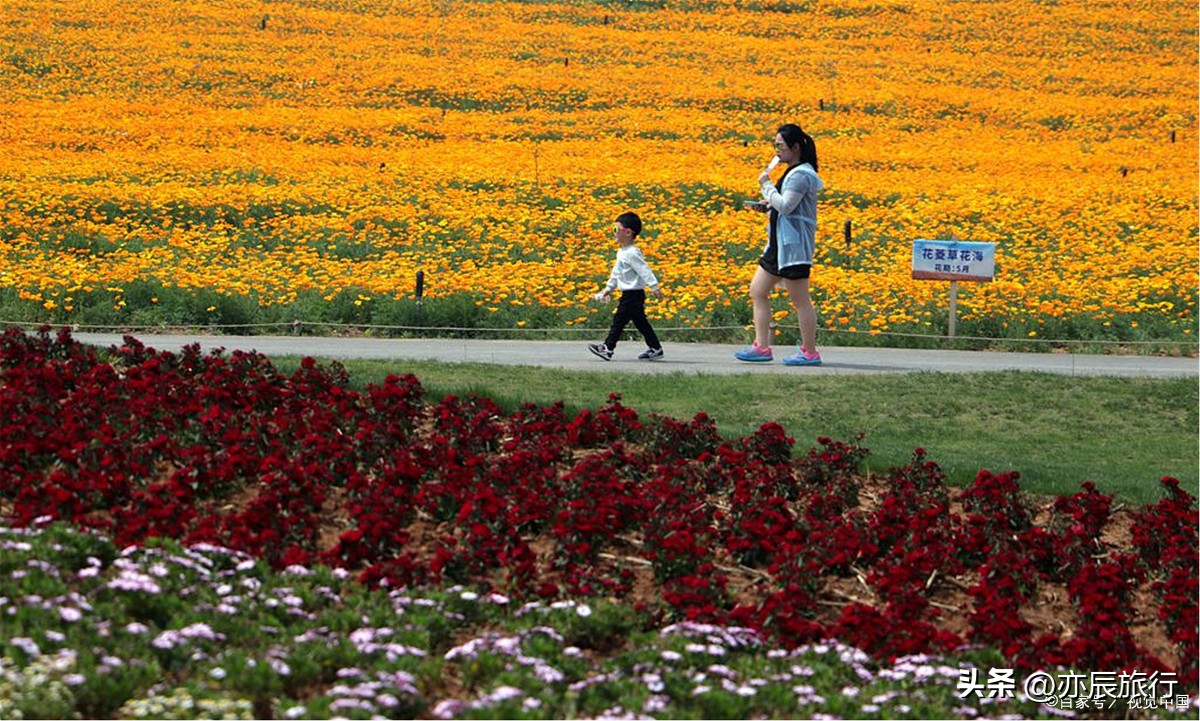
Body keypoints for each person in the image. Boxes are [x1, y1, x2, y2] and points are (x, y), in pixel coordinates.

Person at [735, 123, 825, 366]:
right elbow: (781, 205)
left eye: (780, 146)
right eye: (775, 145)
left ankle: (809, 352)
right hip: (777, 246)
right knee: (758, 291)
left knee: (800, 300)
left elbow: (787, 206)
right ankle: (762, 346)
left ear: (795, 148)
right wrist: (767, 204)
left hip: (793, 248)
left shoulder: (801, 175)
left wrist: (765, 184)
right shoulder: (792, 172)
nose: (776, 151)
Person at [588, 211, 664, 361]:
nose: (614, 233)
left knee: (619, 321)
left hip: (633, 294)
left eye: (616, 229)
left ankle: (608, 348)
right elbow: (616, 273)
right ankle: (656, 348)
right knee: (641, 323)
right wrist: (608, 289)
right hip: (628, 294)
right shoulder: (622, 253)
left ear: (628, 232)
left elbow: (644, 270)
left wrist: (655, 287)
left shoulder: (632, 253)